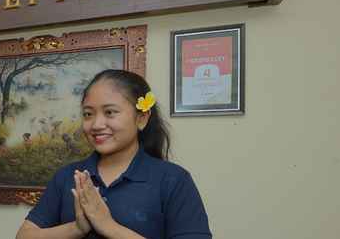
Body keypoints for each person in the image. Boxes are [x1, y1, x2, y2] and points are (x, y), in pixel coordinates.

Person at [16, 70, 211, 239]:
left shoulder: (173, 180)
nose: (96, 125)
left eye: (110, 112)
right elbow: (25, 235)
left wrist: (109, 226)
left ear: (142, 118)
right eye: (88, 114)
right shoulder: (67, 176)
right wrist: (76, 228)